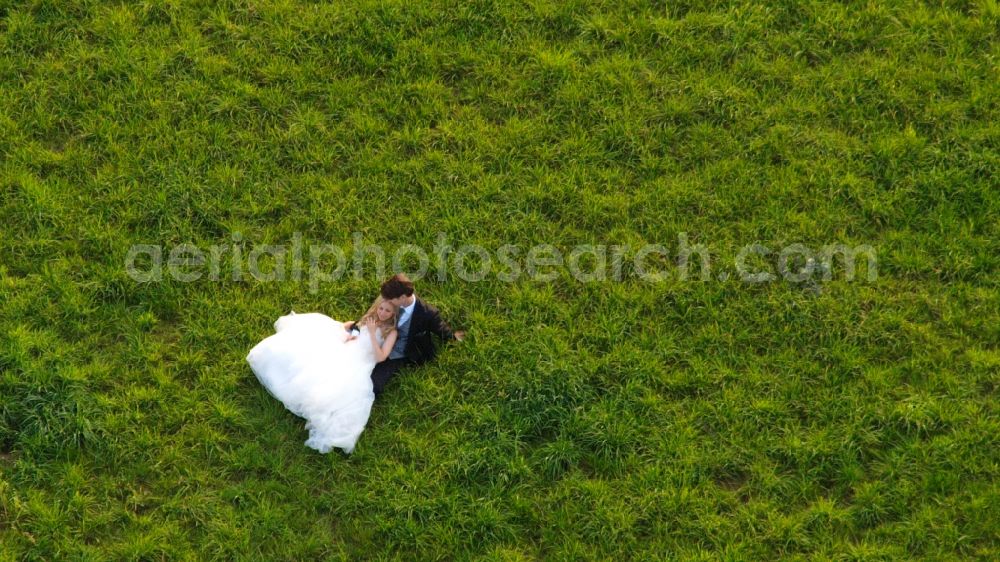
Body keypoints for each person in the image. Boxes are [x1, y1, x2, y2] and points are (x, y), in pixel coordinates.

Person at [245, 297, 400, 454]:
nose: (383, 313)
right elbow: (351, 326)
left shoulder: (391, 332)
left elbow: (381, 357)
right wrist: (349, 334)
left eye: (388, 311)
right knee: (308, 360)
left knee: (331, 387)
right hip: (347, 348)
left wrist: (373, 335)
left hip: (360, 362)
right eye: (381, 308)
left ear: (394, 314)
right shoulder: (370, 319)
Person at [344, 273, 465, 397]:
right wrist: (356, 331)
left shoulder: (427, 313)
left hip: (396, 353)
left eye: (391, 300)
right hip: (375, 342)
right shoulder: (389, 298)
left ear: (402, 297)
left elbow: (441, 329)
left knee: (371, 386)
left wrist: (454, 337)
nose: (387, 301)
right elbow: (369, 314)